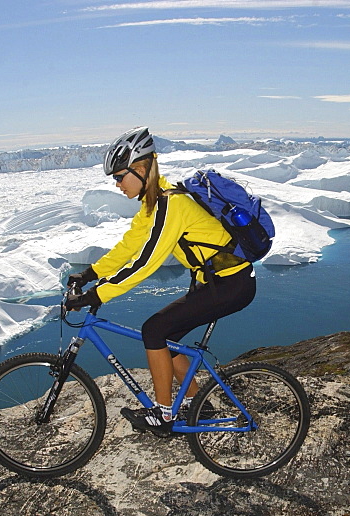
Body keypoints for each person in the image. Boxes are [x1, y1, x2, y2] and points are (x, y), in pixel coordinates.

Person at [65, 126, 256, 435]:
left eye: (119, 176)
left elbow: (145, 264)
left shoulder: (171, 205)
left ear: (141, 170)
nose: (116, 184)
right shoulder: (153, 204)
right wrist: (90, 274)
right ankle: (198, 404)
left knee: (153, 329)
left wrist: (97, 295)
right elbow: (129, 247)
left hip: (232, 284)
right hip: (218, 283)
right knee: (167, 342)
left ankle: (164, 415)